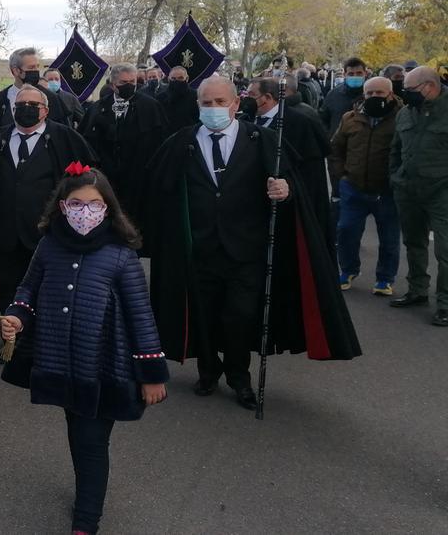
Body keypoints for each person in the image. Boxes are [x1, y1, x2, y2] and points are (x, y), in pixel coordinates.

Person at [141, 77, 361, 411]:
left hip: (247, 249)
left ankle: (238, 375)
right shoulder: (181, 142)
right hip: (197, 249)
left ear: (234, 104)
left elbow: (294, 185)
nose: (212, 108)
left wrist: (284, 191)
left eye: (219, 102)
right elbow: (156, 189)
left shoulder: (262, 140)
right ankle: (208, 370)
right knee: (204, 313)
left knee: (240, 315)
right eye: (205, 102)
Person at [0, 164, 168, 535]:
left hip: (104, 366)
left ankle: (85, 521)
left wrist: (151, 374)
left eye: (94, 204)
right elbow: (28, 290)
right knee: (78, 433)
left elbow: (141, 315)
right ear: (62, 207)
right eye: (76, 203)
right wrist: (16, 316)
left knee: (92, 441)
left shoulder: (121, 255)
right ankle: (86, 497)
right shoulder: (49, 245)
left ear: (108, 207)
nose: (85, 211)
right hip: (60, 362)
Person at [0, 86, 96, 364]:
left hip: (47, 232)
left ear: (45, 110)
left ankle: (45, 343)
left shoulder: (65, 138)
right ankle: (12, 343)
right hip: (4, 231)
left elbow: (86, 182)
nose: (25, 108)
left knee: (47, 289)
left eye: (32, 104)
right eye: (20, 104)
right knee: (8, 289)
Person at [329, 77, 402, 296]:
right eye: (369, 93)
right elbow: (336, 149)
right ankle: (348, 270)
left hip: (387, 191)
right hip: (353, 186)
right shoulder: (350, 118)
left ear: (390, 94)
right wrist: (341, 176)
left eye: (379, 93)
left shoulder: (402, 118)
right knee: (346, 231)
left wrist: (398, 179)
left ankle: (385, 279)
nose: (373, 97)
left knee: (389, 237)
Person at [389, 66, 448, 326]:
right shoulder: (406, 112)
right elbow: (396, 149)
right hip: (408, 189)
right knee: (414, 243)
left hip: (441, 192)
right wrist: (395, 176)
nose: (405, 95)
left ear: (429, 87)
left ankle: (445, 303)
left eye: (410, 90)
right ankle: (417, 290)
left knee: (445, 251)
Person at [247, 78, 333, 249]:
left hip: (289, 205)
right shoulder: (248, 120)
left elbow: (311, 172)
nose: (247, 99)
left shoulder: (300, 122)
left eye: (252, 95)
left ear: (268, 97)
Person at [78, 63, 168, 222]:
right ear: (113, 84)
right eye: (123, 83)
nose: (129, 86)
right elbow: (86, 143)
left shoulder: (151, 106)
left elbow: (161, 142)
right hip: (106, 179)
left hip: (139, 179)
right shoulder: (98, 108)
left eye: (132, 82)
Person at [0, 48, 69, 137]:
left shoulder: (51, 98)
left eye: (37, 66)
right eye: (31, 67)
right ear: (16, 71)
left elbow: (63, 136)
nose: (36, 71)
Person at [320, 57, 368, 136]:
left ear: (365, 73)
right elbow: (323, 119)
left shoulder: (372, 93)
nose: (355, 76)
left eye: (359, 73)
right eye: (351, 74)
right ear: (345, 74)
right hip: (337, 143)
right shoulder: (334, 94)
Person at [156, 65, 199, 135]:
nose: (177, 81)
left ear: (187, 78)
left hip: (189, 137)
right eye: (173, 78)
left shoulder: (196, 96)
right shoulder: (160, 97)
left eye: (180, 78)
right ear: (169, 79)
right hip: (166, 138)